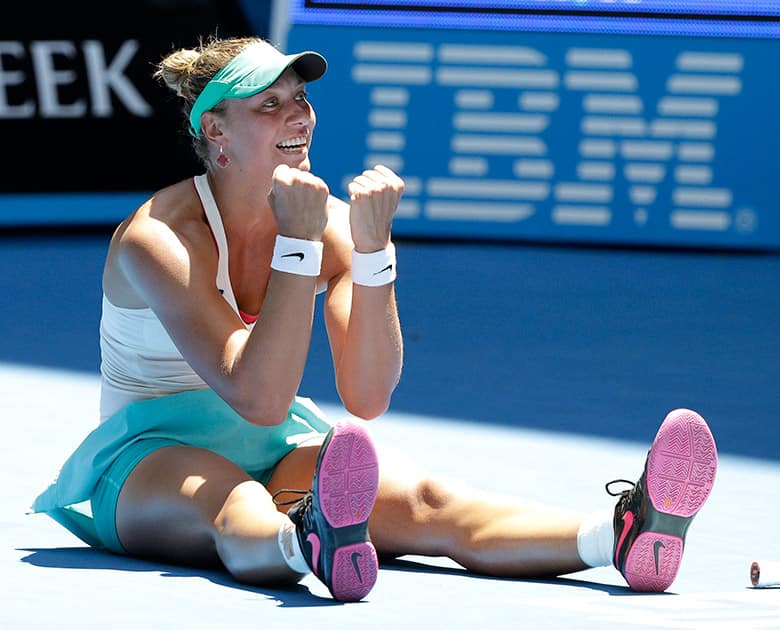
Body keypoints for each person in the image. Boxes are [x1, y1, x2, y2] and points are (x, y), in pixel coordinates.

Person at [31, 35, 718, 601]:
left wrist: (371, 253)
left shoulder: (326, 226)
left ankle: (620, 533)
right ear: (216, 131)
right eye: (269, 105)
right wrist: (298, 247)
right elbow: (259, 397)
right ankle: (304, 537)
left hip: (276, 446)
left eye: (300, 98)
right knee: (232, 503)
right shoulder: (159, 237)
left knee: (428, 501)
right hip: (149, 451)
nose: (297, 115)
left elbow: (368, 392)